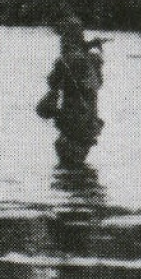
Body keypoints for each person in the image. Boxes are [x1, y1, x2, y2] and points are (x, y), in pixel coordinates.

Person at [38, 17, 104, 167]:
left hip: (70, 123)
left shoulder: (64, 61)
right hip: (89, 124)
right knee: (80, 168)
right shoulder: (94, 59)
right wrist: (87, 47)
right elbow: (98, 83)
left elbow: (52, 82)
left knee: (67, 165)